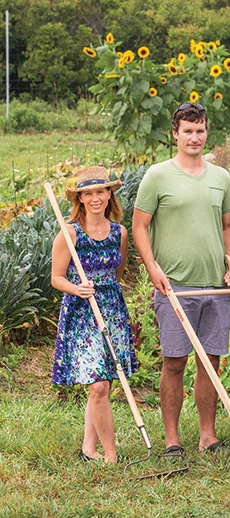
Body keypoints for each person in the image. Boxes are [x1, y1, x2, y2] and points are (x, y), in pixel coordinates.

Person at [132, 102, 230, 455]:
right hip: (175, 286)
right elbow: (139, 226)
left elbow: (228, 227)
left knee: (210, 362)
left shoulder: (219, 177)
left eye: (200, 130)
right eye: (187, 131)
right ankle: (172, 438)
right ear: (175, 134)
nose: (194, 137)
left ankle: (207, 436)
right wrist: (153, 269)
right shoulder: (158, 176)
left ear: (207, 132)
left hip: (215, 285)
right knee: (175, 362)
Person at [51, 166, 137, 464]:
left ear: (109, 194)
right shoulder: (70, 233)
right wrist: (78, 289)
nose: (95, 198)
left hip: (111, 308)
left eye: (100, 191)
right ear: (80, 199)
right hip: (82, 311)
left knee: (105, 384)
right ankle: (111, 456)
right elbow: (56, 278)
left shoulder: (119, 233)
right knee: (99, 384)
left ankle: (89, 449)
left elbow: (118, 270)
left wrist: (102, 288)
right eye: (88, 193)